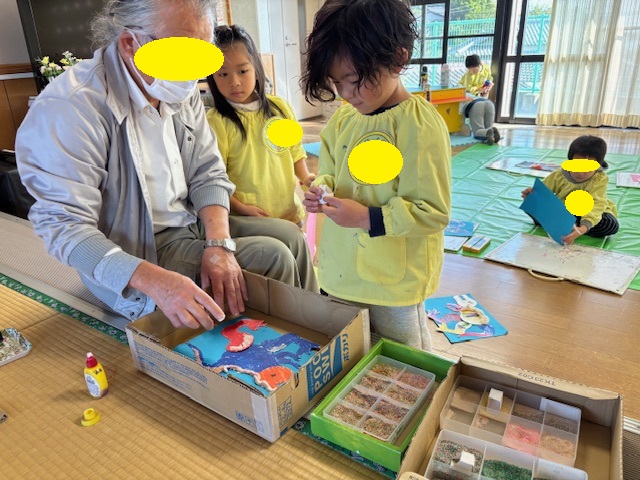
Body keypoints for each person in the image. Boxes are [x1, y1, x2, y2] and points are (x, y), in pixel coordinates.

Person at [15, 0, 313, 330]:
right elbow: (65, 228)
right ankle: (281, 345)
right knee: (274, 256)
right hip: (137, 250)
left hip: (188, 220)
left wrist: (218, 244)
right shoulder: (72, 107)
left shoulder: (176, 86)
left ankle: (321, 328)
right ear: (130, 43)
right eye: (179, 54)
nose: (193, 73)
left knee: (291, 237)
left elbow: (208, 171)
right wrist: (158, 282)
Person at [301, 0, 451, 350]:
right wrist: (320, 191)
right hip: (341, 273)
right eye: (336, 82)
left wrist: (367, 217)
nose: (345, 93)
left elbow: (432, 212)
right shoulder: (343, 118)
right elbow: (329, 175)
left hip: (393, 284)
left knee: (406, 359)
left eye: (354, 80)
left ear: (397, 60)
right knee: (349, 351)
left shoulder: (418, 125)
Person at [205, 25, 318, 293]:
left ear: (256, 66)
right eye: (223, 74)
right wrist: (242, 208)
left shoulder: (279, 107)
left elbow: (294, 151)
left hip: (287, 211)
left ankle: (310, 304)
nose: (234, 82)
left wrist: (306, 177)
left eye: (243, 71)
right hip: (251, 219)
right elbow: (214, 180)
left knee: (300, 267)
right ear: (212, 77)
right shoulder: (216, 121)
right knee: (279, 281)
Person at [521, 135, 619, 245]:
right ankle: (566, 224)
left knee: (611, 225)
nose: (580, 173)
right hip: (564, 211)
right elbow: (542, 193)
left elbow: (597, 204)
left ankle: (570, 225)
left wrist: (583, 228)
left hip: (591, 213)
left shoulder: (599, 179)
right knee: (532, 204)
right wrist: (531, 196)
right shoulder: (559, 174)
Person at [459, 54, 500, 144]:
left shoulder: (484, 70)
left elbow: (468, 90)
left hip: (476, 103)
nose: (471, 72)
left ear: (480, 64)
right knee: (488, 127)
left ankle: (488, 132)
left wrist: (485, 88)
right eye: (469, 70)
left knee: (478, 131)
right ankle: (492, 132)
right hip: (488, 103)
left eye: (474, 69)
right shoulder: (470, 74)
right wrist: (480, 89)